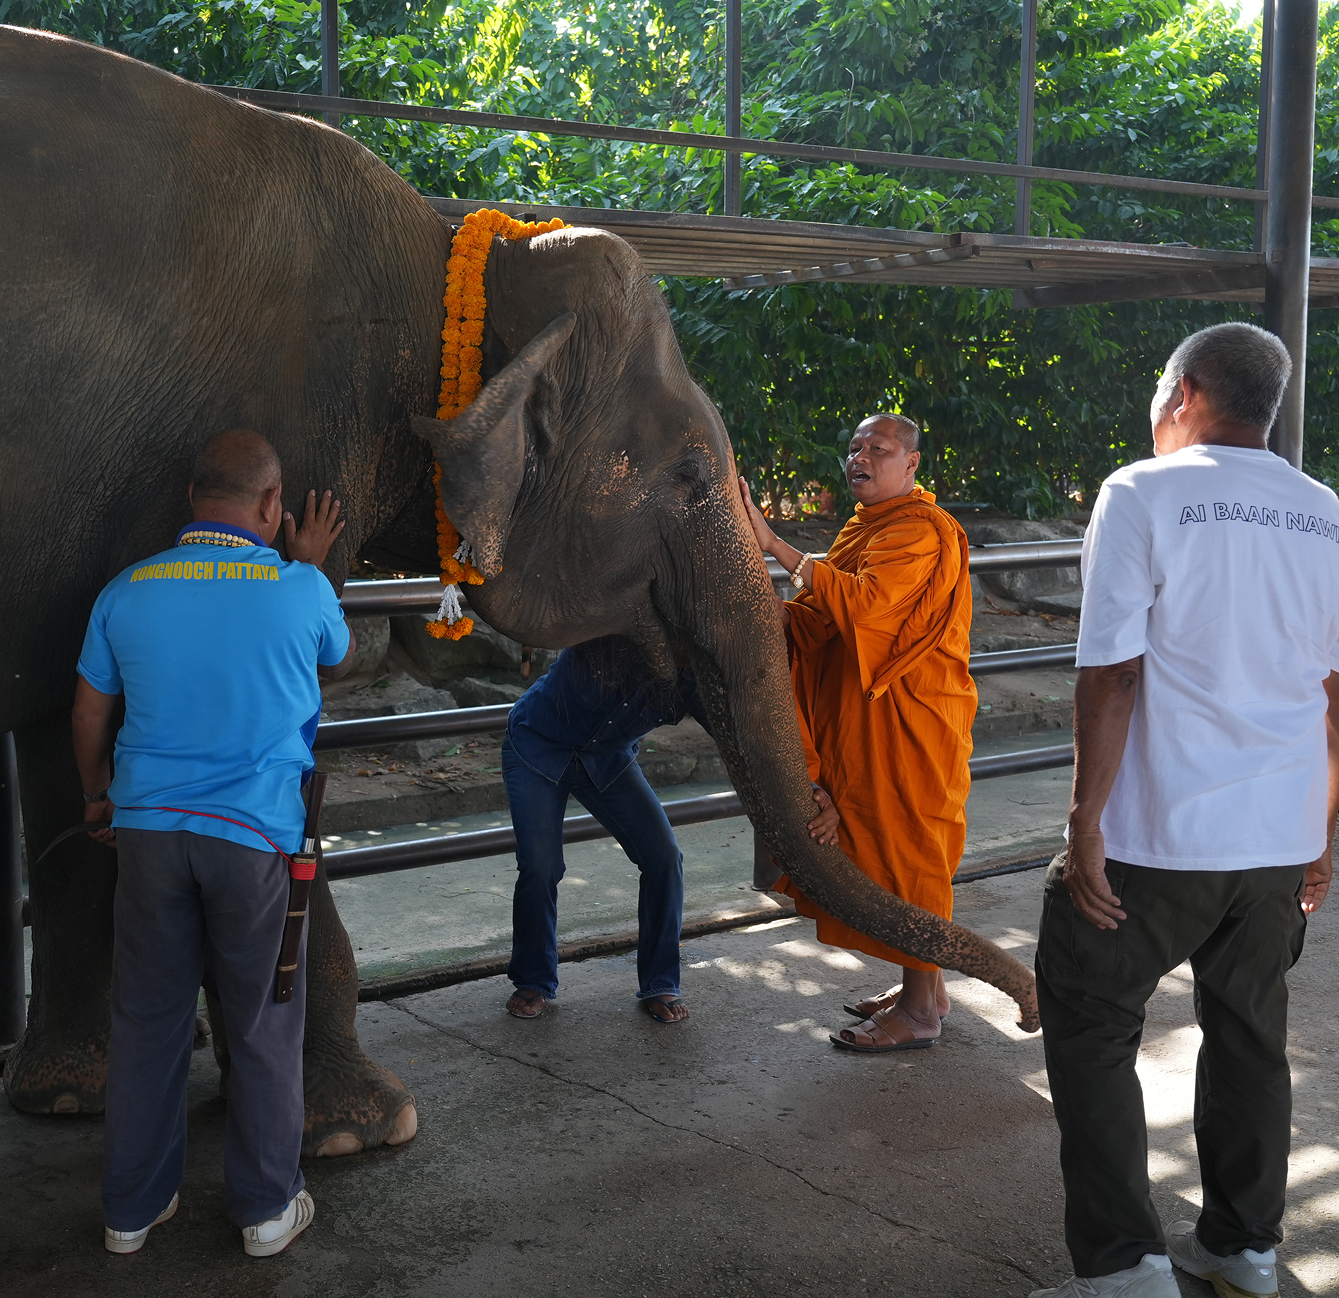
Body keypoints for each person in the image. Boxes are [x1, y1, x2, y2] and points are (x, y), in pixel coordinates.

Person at [1030, 323, 1335, 1298]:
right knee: (1250, 1034)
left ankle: (1125, 1268)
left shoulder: (1140, 492)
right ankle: (1243, 1249)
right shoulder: (1324, 512)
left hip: (1155, 837)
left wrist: (1084, 822)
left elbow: (1112, 672)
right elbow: (1333, 695)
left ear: (1185, 391)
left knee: (1089, 1022)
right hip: (1275, 841)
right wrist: (1321, 832)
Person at [73, 429, 353, 1259]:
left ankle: (131, 1210)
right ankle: (266, 1208)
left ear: (193, 498)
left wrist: (96, 794)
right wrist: (308, 564)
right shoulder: (300, 589)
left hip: (148, 836)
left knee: (147, 1019)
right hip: (255, 842)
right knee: (262, 1020)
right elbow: (334, 655)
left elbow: (88, 710)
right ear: (271, 504)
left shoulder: (127, 590)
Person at [740, 413, 976, 1053]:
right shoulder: (863, 528)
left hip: (912, 720)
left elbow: (868, 606)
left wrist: (776, 545)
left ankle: (921, 1012)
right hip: (866, 718)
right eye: (853, 447)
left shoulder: (921, 531)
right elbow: (824, 617)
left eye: (879, 448)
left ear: (912, 464)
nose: (860, 457)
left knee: (912, 858)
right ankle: (927, 988)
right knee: (884, 851)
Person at [500, 639, 731, 1022]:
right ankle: (533, 979)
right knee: (541, 865)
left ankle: (660, 981)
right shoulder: (606, 637)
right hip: (537, 746)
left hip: (607, 759)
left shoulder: (696, 677)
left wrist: (803, 785)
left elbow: (738, 739)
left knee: (663, 858)